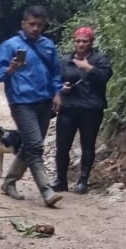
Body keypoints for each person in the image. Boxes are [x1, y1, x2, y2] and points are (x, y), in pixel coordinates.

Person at [0, 6, 64, 207]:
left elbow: (56, 73)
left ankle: (9, 183)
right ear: (23, 24)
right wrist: (11, 68)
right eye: (31, 24)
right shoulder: (10, 45)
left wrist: (57, 93)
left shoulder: (48, 46)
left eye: (39, 25)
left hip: (45, 102)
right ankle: (47, 191)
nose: (35, 28)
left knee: (30, 146)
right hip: (21, 102)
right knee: (36, 145)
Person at [52, 26, 113, 194]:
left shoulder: (100, 60)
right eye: (77, 41)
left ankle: (83, 181)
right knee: (62, 146)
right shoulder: (65, 61)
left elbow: (105, 77)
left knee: (88, 145)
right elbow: (56, 80)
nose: (80, 44)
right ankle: (61, 180)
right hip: (68, 108)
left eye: (84, 41)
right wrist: (62, 88)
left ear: (91, 43)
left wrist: (88, 68)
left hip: (91, 109)